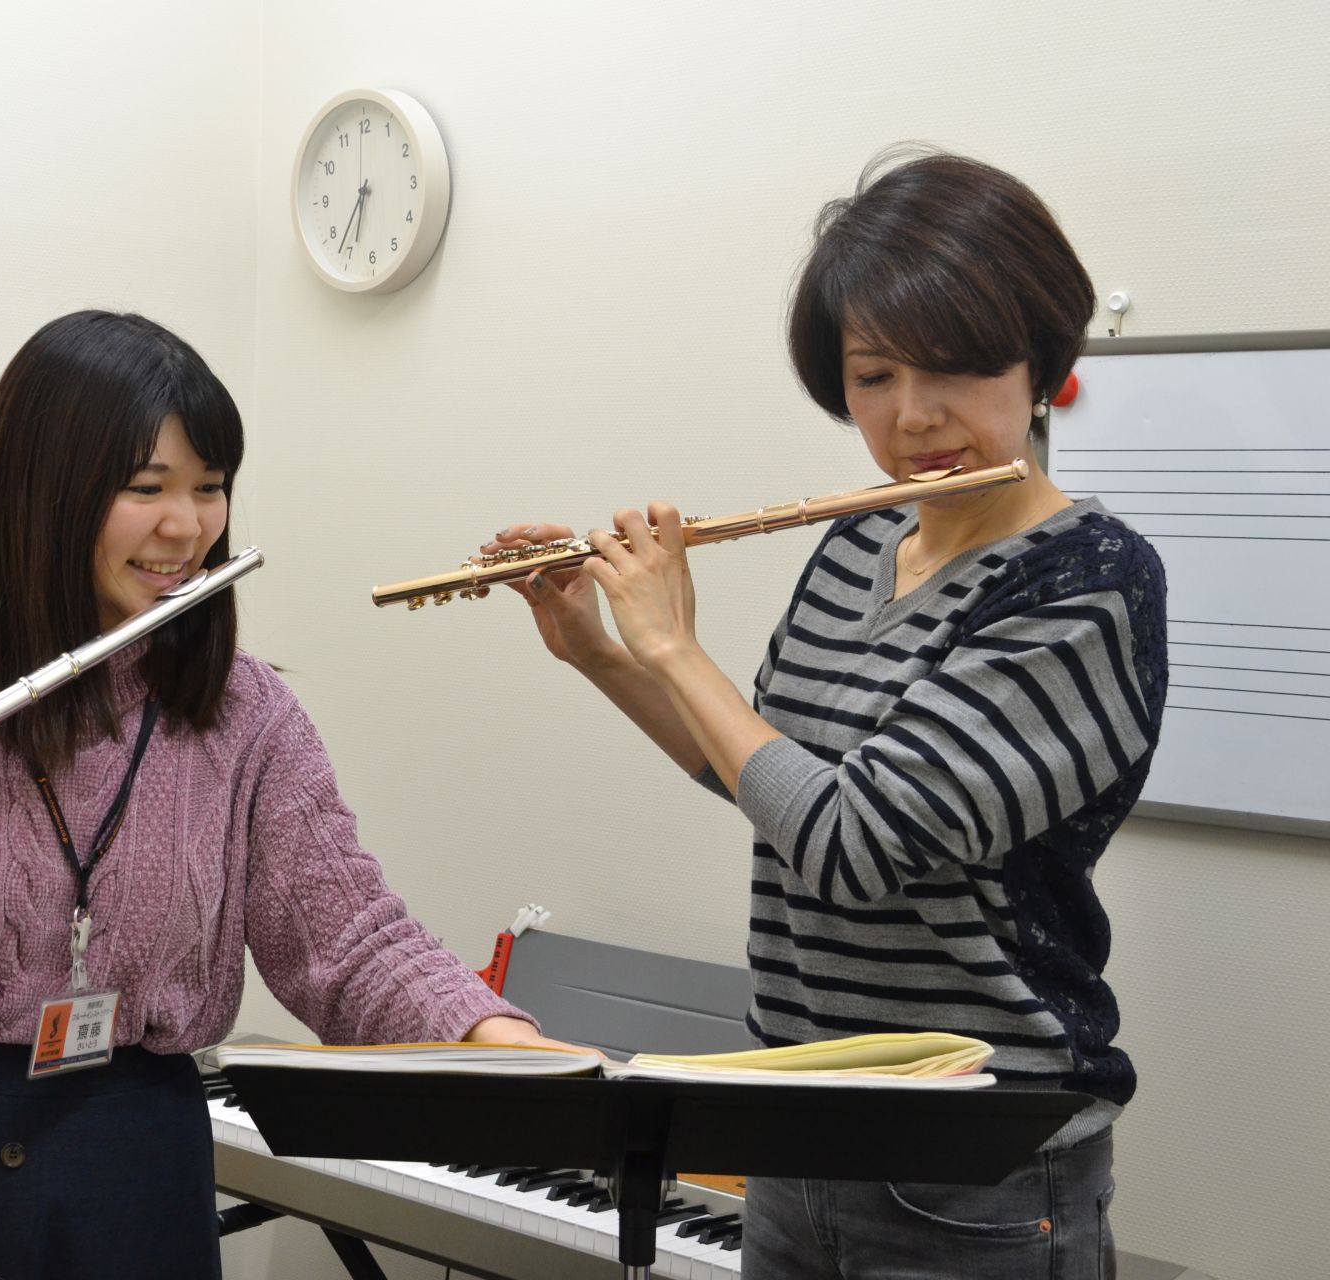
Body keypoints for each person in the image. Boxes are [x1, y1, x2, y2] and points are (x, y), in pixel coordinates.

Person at [0, 310, 552, 1279]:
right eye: (147, 487)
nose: (189, 526)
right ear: (44, 491)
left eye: (210, 487)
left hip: (131, 1169)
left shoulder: (250, 715)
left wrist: (493, 1037)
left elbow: (347, 935)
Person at [485, 149, 1167, 1279]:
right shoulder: (860, 542)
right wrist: (603, 654)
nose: (915, 418)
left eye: (958, 366)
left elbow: (854, 845)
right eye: (874, 377)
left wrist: (674, 642)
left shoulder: (1088, 582)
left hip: (974, 1161)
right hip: (793, 1129)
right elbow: (764, 776)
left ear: (1040, 358)